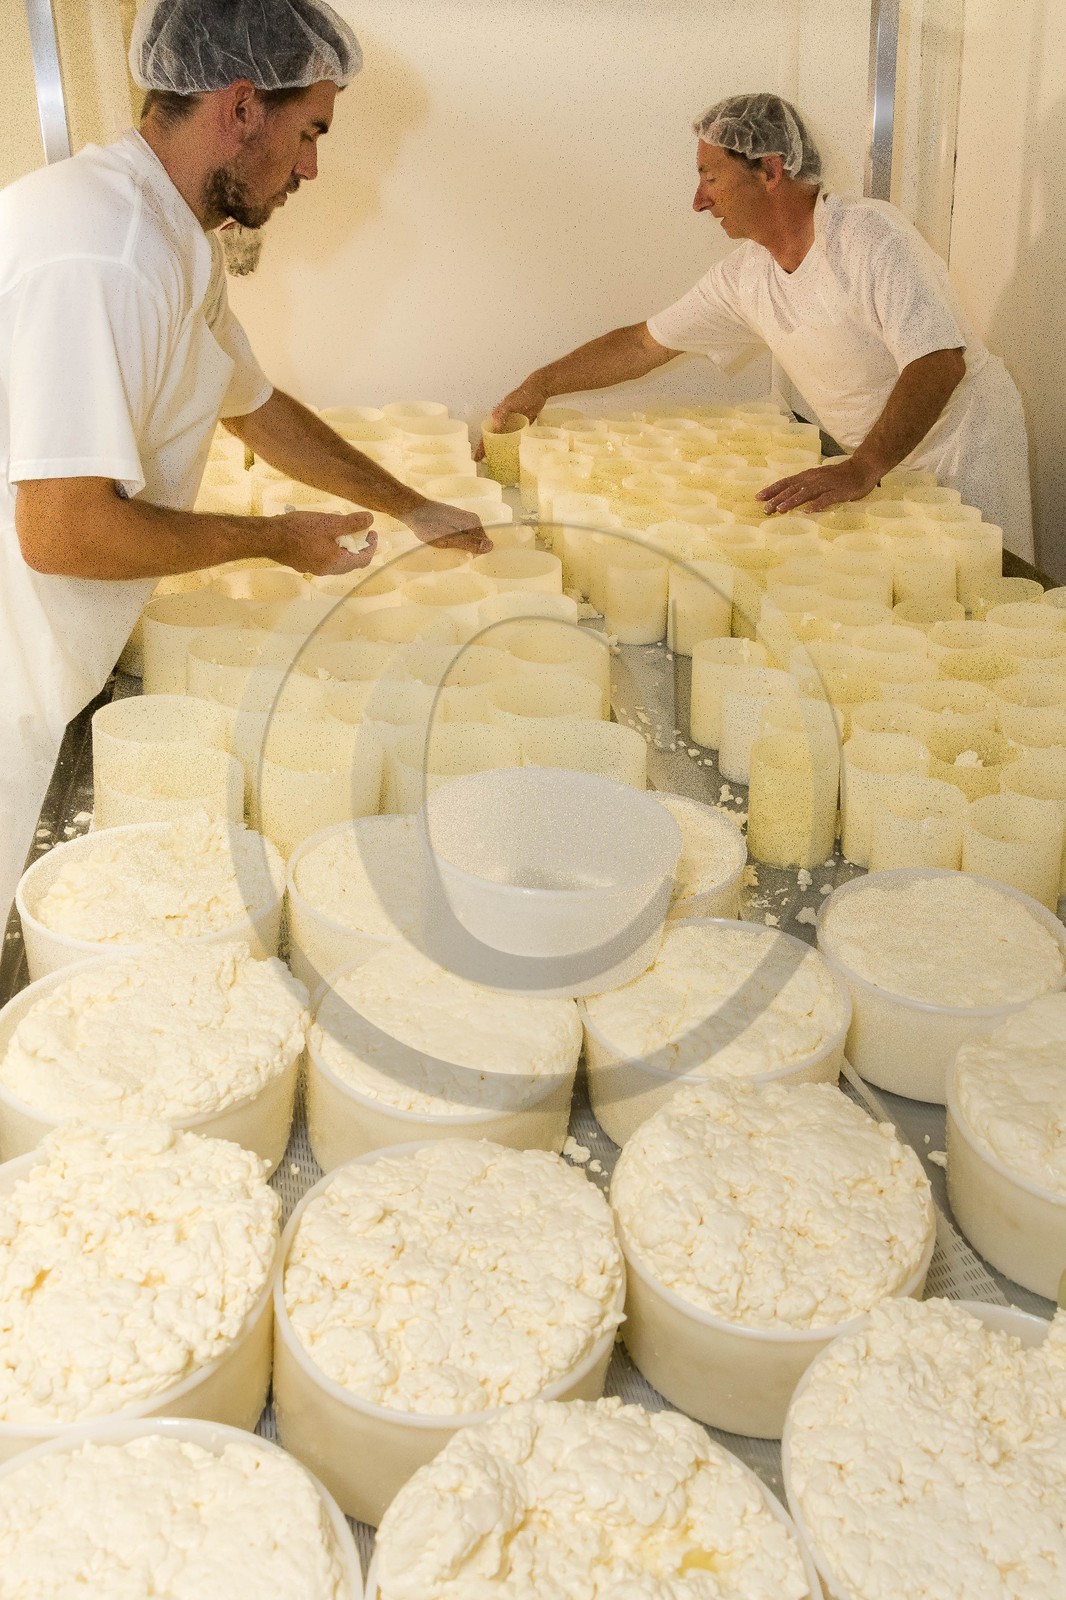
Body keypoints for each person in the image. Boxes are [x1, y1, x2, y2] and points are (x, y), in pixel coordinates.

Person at [0, 0, 489, 921]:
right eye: (310, 133)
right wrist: (271, 539)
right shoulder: (106, 253)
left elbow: (255, 408)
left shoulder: (169, 235)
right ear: (239, 106)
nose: (311, 167)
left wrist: (411, 504)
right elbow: (62, 530)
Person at [486, 92, 1032, 555]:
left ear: (770, 170)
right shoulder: (746, 277)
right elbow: (643, 345)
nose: (699, 201)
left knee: (982, 586)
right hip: (879, 463)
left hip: (960, 446)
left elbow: (937, 361)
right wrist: (540, 385)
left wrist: (862, 466)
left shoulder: (869, 238)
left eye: (710, 177)